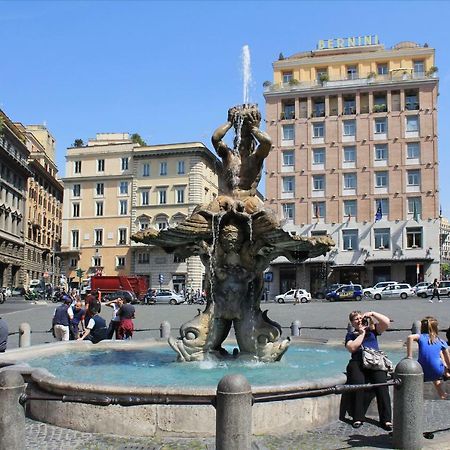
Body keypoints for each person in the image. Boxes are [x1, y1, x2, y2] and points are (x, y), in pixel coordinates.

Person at [344, 310, 392, 430]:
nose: (359, 320)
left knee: (382, 384)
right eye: (356, 319)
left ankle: (386, 420)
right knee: (357, 385)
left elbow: (386, 323)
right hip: (357, 362)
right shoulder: (350, 335)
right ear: (352, 322)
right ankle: (358, 417)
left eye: (361, 318)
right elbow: (352, 348)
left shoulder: (373, 330)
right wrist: (361, 334)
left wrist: (373, 313)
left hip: (374, 362)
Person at [407, 316, 450, 399]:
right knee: (439, 356)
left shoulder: (420, 337)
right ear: (436, 328)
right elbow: (448, 358)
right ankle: (442, 393)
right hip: (437, 372)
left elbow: (410, 337)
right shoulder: (440, 341)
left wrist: (409, 356)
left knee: (430, 364)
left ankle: (414, 396)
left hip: (422, 371)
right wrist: (447, 368)